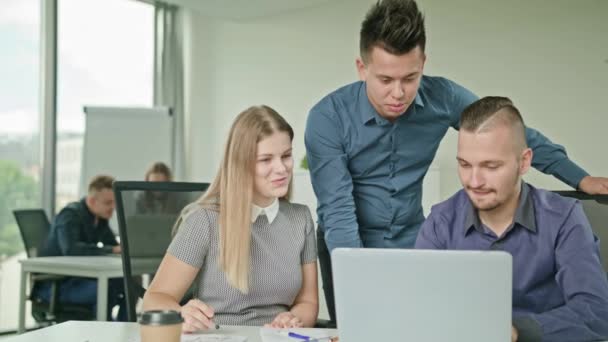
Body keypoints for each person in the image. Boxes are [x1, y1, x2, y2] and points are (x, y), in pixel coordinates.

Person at [304, 0, 608, 323]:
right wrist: (360, 288)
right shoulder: (327, 119)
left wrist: (580, 179)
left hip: (413, 239)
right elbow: (338, 214)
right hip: (348, 244)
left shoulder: (443, 97)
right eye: (385, 80)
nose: (398, 93)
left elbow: (506, 129)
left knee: (418, 326)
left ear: (423, 63)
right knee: (365, 327)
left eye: (410, 77)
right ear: (362, 68)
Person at [415, 97, 608, 342]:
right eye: (465, 164)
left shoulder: (564, 218)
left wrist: (516, 331)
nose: (474, 182)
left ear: (524, 161)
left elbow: (597, 312)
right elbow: (419, 305)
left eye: (491, 166)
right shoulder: (441, 220)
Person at [143, 105, 318, 332]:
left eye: (286, 156)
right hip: (217, 336)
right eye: (266, 159)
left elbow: (308, 302)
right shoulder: (204, 220)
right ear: (240, 164)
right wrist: (181, 313)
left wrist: (293, 320)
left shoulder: (300, 219)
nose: (281, 168)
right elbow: (155, 298)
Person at [37, 175, 126, 321]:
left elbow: (113, 245)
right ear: (92, 200)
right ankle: (105, 334)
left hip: (82, 279)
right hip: (57, 285)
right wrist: (111, 250)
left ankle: (124, 331)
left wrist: (122, 247)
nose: (113, 208)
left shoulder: (100, 219)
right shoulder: (70, 215)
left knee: (129, 286)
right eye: (108, 202)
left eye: (114, 203)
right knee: (106, 290)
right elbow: (71, 249)